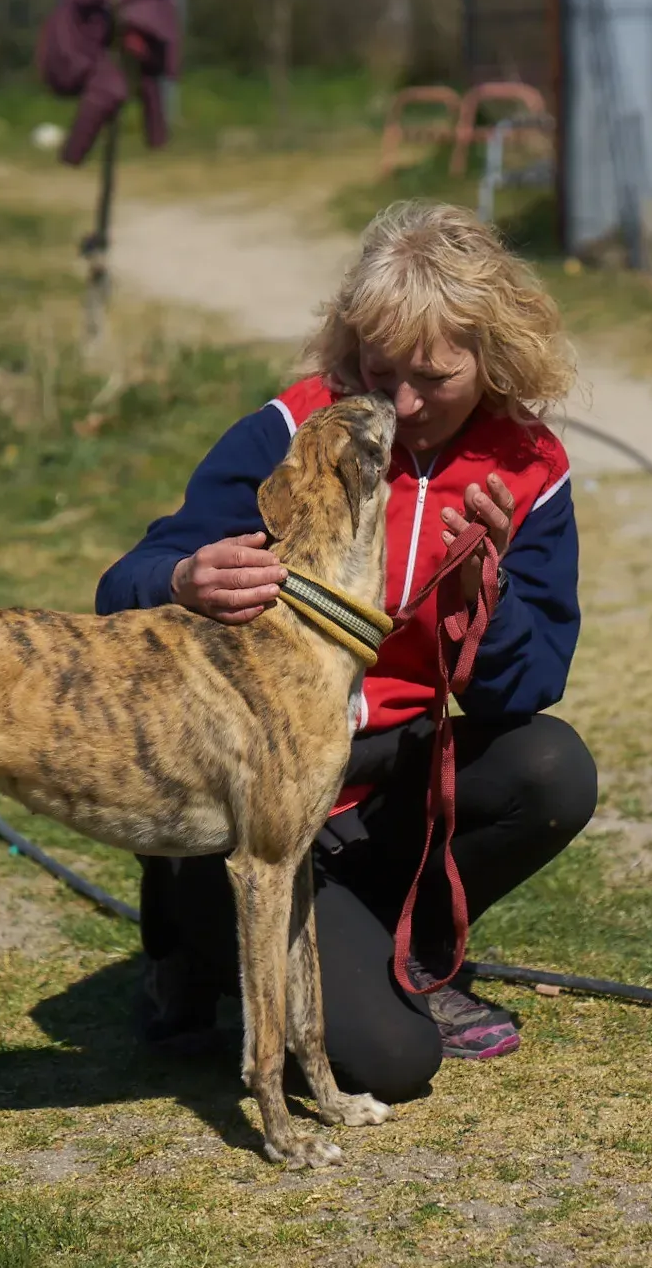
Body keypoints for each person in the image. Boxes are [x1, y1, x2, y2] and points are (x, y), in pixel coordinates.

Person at [94, 200, 598, 1103]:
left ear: (495, 357)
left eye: (433, 377)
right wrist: (182, 579)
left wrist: (490, 601)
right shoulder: (297, 430)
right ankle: (188, 921)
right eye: (379, 369)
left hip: (384, 770)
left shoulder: (528, 466)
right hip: (261, 791)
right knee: (397, 1065)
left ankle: (392, 945)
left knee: (552, 769)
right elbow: (123, 581)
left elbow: (528, 687)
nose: (400, 405)